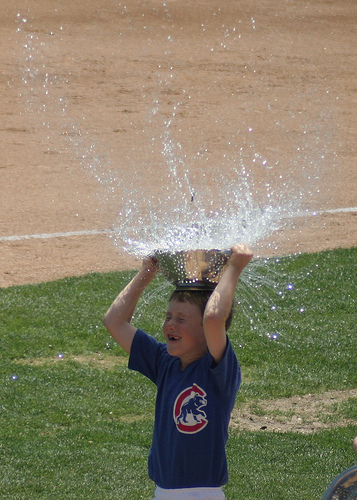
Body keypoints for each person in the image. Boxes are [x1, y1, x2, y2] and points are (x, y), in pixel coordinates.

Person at [103, 244, 253, 500]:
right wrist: (147, 272)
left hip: (201, 494)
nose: (169, 324)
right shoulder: (165, 363)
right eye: (168, 316)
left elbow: (214, 318)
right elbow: (114, 321)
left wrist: (234, 267)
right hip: (162, 492)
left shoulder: (218, 370)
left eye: (181, 319)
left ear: (206, 330)